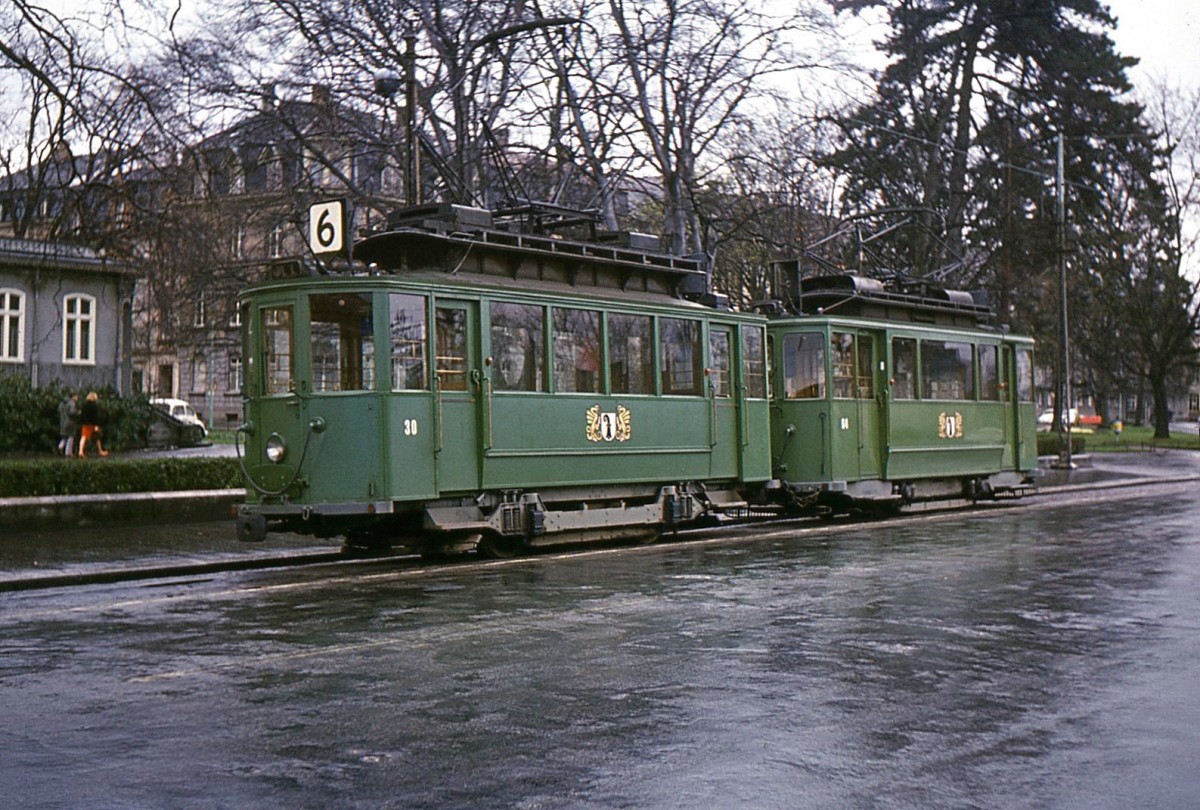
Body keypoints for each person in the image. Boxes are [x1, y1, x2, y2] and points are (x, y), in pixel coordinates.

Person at [78, 391, 109, 458]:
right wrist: (96, 425)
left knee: (83, 437)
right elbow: (95, 417)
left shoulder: (84, 405)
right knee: (97, 437)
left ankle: (80, 451)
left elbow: (81, 415)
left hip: (85, 424)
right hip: (92, 424)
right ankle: (100, 451)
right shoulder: (94, 406)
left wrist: (82, 422)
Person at [57, 392, 79, 457]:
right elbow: (72, 412)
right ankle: (68, 452)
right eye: (76, 396)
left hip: (63, 422)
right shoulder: (71, 403)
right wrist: (78, 412)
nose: (77, 398)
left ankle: (60, 446)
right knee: (71, 437)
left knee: (65, 437)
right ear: (73, 396)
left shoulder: (61, 403)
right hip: (70, 422)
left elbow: (59, 411)